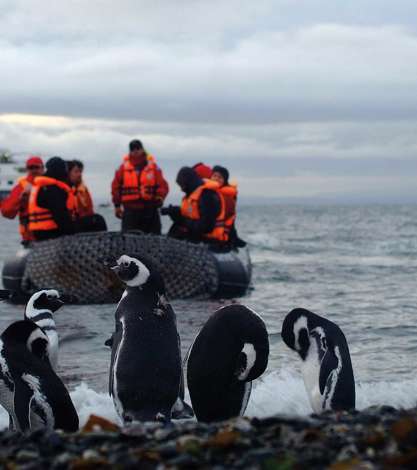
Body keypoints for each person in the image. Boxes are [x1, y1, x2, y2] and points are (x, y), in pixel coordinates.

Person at [111, 140, 169, 234]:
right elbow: (115, 187)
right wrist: (117, 206)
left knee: (154, 239)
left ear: (142, 149)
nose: (136, 151)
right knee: (129, 240)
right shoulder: (122, 169)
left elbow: (162, 185)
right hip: (130, 211)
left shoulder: (154, 167)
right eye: (133, 149)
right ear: (130, 152)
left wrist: (160, 197)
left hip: (150, 210)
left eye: (138, 148)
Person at [162, 166, 228, 246]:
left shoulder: (207, 196)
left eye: (182, 185)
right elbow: (191, 213)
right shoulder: (193, 193)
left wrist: (182, 220)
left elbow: (207, 227)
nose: (181, 189)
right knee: (175, 230)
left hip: (209, 241)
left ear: (188, 182)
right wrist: (173, 211)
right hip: (195, 237)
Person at [28, 157, 76, 241]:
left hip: (38, 233)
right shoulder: (52, 189)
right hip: (51, 233)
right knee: (97, 220)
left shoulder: (40, 186)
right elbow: (62, 220)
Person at [1, 156, 44, 243]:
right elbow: (6, 212)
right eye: (31, 167)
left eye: (36, 167)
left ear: (42, 168)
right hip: (30, 238)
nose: (34, 170)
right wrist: (20, 199)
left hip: (52, 237)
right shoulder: (21, 188)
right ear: (27, 169)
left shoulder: (50, 184)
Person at [211, 165, 246, 248]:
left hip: (221, 234)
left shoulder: (227, 196)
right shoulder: (208, 192)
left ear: (225, 180)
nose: (216, 178)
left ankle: (232, 240)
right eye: (214, 176)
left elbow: (228, 217)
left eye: (220, 177)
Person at [67, 160, 107, 232]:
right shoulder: (65, 189)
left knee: (97, 219)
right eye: (76, 172)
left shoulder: (83, 189)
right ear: (68, 173)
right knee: (98, 220)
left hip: (82, 221)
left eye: (80, 172)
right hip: (72, 223)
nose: (79, 174)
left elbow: (89, 209)